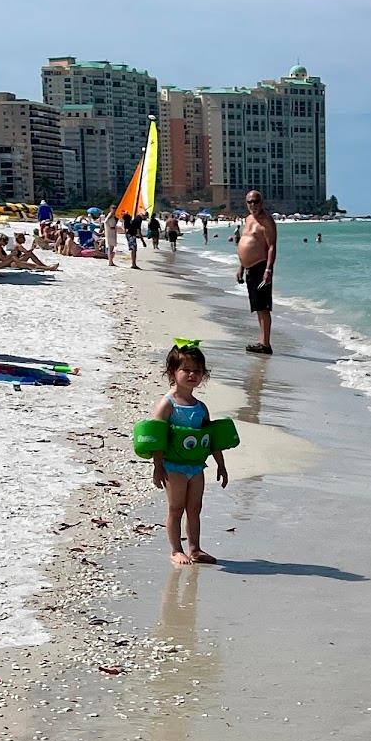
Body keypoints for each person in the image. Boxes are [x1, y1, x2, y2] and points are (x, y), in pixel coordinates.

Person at [148, 342, 228, 565]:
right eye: (186, 369)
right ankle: (176, 550)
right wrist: (158, 466)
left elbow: (211, 439)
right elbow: (157, 437)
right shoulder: (167, 404)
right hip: (173, 466)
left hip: (196, 466)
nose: (192, 374)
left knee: (195, 507)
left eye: (197, 370)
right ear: (173, 372)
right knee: (176, 508)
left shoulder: (200, 407)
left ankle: (195, 548)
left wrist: (221, 465)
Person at [237, 189, 278, 354]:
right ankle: (262, 342)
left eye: (256, 201)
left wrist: (268, 270)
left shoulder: (266, 221)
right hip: (249, 268)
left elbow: (272, 247)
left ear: (262, 202)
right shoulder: (247, 219)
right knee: (256, 306)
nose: (253, 205)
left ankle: (266, 344)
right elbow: (244, 241)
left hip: (261, 267)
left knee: (263, 306)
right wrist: (241, 266)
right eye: (250, 202)